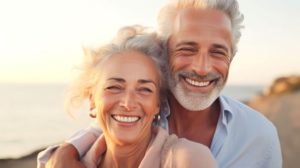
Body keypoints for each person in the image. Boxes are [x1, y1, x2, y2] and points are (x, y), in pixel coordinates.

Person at [39, 0, 282, 167]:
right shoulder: (142, 114)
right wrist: (64, 153)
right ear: (165, 52)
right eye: (187, 49)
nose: (202, 67)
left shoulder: (259, 137)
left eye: (218, 52)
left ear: (232, 58)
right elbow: (102, 127)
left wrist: (65, 151)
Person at [38, 26, 217, 168]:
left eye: (145, 89)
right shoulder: (64, 162)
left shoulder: (189, 160)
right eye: (115, 87)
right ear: (93, 100)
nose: (128, 103)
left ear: (157, 104)